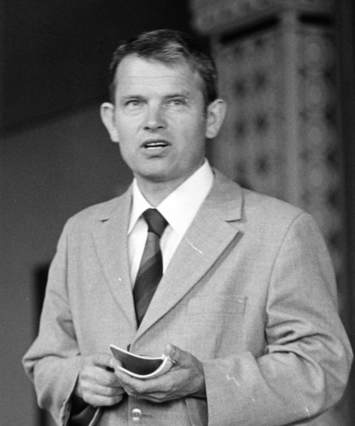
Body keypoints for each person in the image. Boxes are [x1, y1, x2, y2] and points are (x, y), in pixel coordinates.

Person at [23, 29, 352, 426]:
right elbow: (45, 360)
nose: (153, 122)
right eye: (134, 104)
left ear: (211, 117)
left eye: (175, 102)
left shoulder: (282, 230)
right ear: (112, 121)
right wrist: (76, 378)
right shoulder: (80, 233)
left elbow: (321, 366)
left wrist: (206, 381)